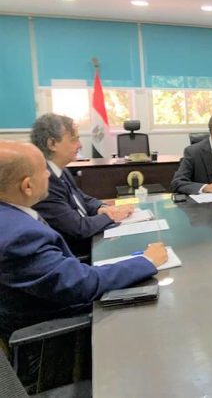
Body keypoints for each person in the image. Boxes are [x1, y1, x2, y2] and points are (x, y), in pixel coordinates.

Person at [0, 140, 167, 341]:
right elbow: (82, 285)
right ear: (27, 186)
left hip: (52, 303)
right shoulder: (19, 236)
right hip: (56, 333)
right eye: (43, 170)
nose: (49, 175)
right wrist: (146, 261)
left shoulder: (11, 215)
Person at [30, 113, 134, 256]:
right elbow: (79, 228)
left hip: (91, 239)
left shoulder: (61, 170)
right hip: (77, 253)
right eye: (74, 140)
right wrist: (112, 215)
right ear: (52, 144)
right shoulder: (44, 182)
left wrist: (101, 208)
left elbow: (83, 199)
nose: (80, 145)